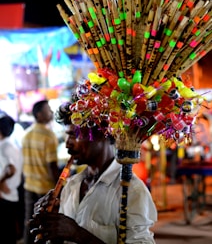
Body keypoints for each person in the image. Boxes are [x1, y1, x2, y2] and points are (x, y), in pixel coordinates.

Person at [29, 100, 158, 244]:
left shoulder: (132, 191)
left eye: (74, 135)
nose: (67, 143)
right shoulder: (72, 185)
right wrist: (51, 224)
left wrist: (77, 234)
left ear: (103, 134)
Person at [22, 99, 60, 244]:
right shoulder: (48, 136)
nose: (51, 112)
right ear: (39, 115)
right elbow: (52, 167)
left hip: (29, 185)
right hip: (45, 188)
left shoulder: (26, 134)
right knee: (45, 227)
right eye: (47, 110)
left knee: (29, 222)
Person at [0, 112, 23, 244]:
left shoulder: (4, 146)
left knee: (6, 230)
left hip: (5, 194)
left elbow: (11, 169)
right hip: (11, 192)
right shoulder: (11, 145)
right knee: (9, 227)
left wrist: (1, 182)